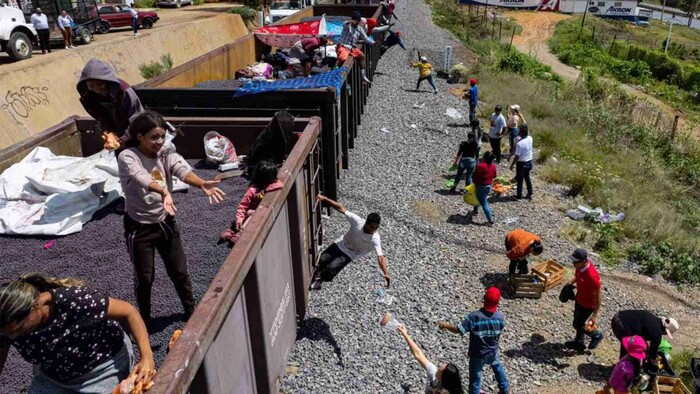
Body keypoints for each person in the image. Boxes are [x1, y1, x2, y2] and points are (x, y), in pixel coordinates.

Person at [118, 111, 226, 329]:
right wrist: (163, 191)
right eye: (154, 137)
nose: (159, 142)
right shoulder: (128, 156)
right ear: (139, 136)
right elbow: (141, 177)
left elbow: (181, 169)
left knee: (179, 270)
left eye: (162, 137)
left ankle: (190, 309)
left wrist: (200, 183)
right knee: (145, 277)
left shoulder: (165, 152)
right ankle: (144, 320)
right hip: (139, 227)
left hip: (165, 222)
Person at [0, 273, 155, 393]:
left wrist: (147, 356)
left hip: (101, 366)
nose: (13, 338)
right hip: (54, 375)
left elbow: (128, 311)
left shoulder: (73, 302)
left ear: (35, 307)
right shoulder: (7, 329)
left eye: (19, 330)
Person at [438, 287, 510, 394]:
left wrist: (445, 325)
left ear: (484, 299)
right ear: (498, 301)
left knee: (475, 379)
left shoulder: (474, 317)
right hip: (492, 352)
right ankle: (505, 389)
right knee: (498, 369)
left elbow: (458, 329)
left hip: (477, 354)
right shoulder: (500, 317)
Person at [310, 194, 389, 290]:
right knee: (322, 260)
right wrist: (325, 198)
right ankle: (316, 272)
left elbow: (380, 257)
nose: (373, 229)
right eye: (371, 227)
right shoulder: (358, 222)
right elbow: (341, 208)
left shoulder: (375, 239)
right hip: (341, 244)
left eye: (375, 227)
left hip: (350, 254)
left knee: (331, 268)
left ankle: (320, 279)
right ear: (366, 223)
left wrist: (385, 273)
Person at [77, 59, 145, 151]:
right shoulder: (90, 97)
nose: (96, 89)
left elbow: (137, 118)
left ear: (107, 81)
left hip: (136, 134)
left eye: (100, 84)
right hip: (118, 135)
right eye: (91, 86)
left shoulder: (124, 92)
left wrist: (122, 140)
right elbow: (101, 118)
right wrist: (108, 131)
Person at [218, 160, 283, 247]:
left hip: (255, 213)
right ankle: (237, 231)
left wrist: (265, 190)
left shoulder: (268, 186)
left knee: (253, 213)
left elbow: (279, 184)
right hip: (249, 214)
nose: (275, 180)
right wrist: (239, 218)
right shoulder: (252, 190)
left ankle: (236, 230)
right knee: (249, 214)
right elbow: (243, 205)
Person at [396, 324, 464, 394]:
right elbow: (419, 354)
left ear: (444, 378)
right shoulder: (435, 377)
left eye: (439, 371)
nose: (436, 370)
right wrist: (405, 334)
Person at [565, 248, 604, 352]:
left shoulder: (592, 276)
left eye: (575, 261)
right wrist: (571, 282)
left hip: (588, 304)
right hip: (579, 298)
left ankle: (596, 335)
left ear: (583, 261)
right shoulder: (580, 266)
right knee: (578, 320)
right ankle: (579, 342)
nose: (573, 263)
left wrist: (594, 315)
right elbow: (577, 275)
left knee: (577, 323)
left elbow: (599, 295)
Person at [611, 310, 679, 370]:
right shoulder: (657, 334)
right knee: (631, 347)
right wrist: (654, 366)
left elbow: (643, 337)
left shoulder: (654, 319)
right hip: (621, 326)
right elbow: (652, 358)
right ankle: (620, 370)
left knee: (631, 344)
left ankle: (620, 367)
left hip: (617, 317)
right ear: (665, 330)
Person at [336, 11, 373, 84]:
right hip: (343, 45)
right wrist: (350, 21)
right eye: (356, 21)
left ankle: (363, 76)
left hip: (351, 48)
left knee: (362, 56)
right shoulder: (348, 25)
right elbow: (345, 24)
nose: (357, 22)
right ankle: (338, 75)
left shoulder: (359, 28)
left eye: (358, 21)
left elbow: (365, 38)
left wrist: (373, 42)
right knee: (342, 59)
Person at [509, 124, 533, 200]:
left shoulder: (519, 144)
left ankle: (519, 196)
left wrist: (512, 165)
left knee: (520, 180)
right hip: (529, 162)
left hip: (521, 164)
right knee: (527, 178)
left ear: (520, 133)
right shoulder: (530, 138)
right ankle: (530, 193)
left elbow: (517, 157)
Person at [472, 151, 496, 225]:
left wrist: (474, 182)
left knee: (484, 203)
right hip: (488, 186)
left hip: (480, 186)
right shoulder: (493, 166)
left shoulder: (480, 166)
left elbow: (474, 176)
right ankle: (475, 210)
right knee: (478, 197)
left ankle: (490, 220)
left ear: (484, 157)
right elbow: (494, 175)